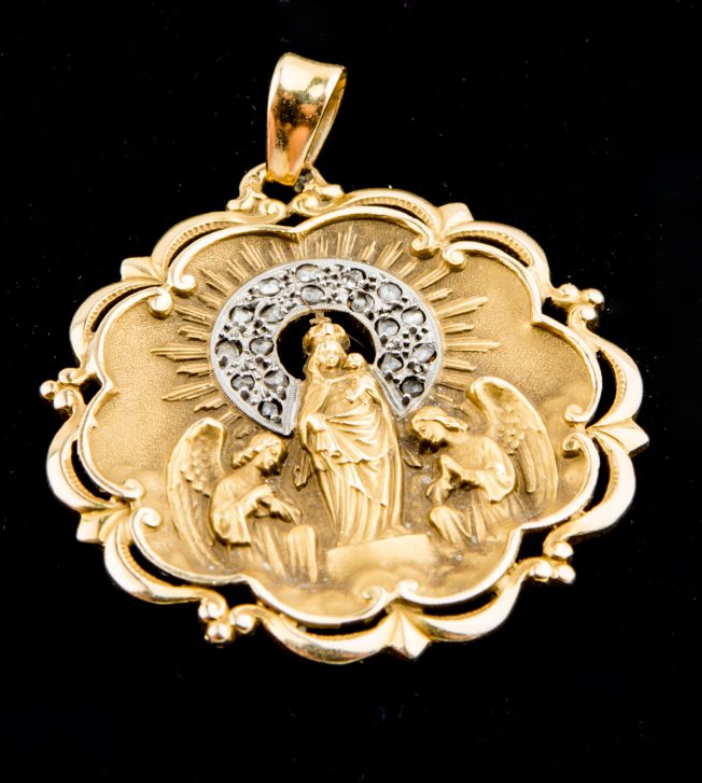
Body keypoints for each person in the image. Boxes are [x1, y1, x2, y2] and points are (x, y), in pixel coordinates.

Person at [297, 317, 405, 548]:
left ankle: (385, 525)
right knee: (345, 481)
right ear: (316, 358)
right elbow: (307, 413)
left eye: (333, 351)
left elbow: (380, 401)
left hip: (371, 428)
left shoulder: (360, 374)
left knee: (378, 471)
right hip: (336, 436)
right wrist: (311, 420)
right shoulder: (317, 384)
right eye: (324, 353)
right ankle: (352, 532)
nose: (330, 356)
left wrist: (372, 393)